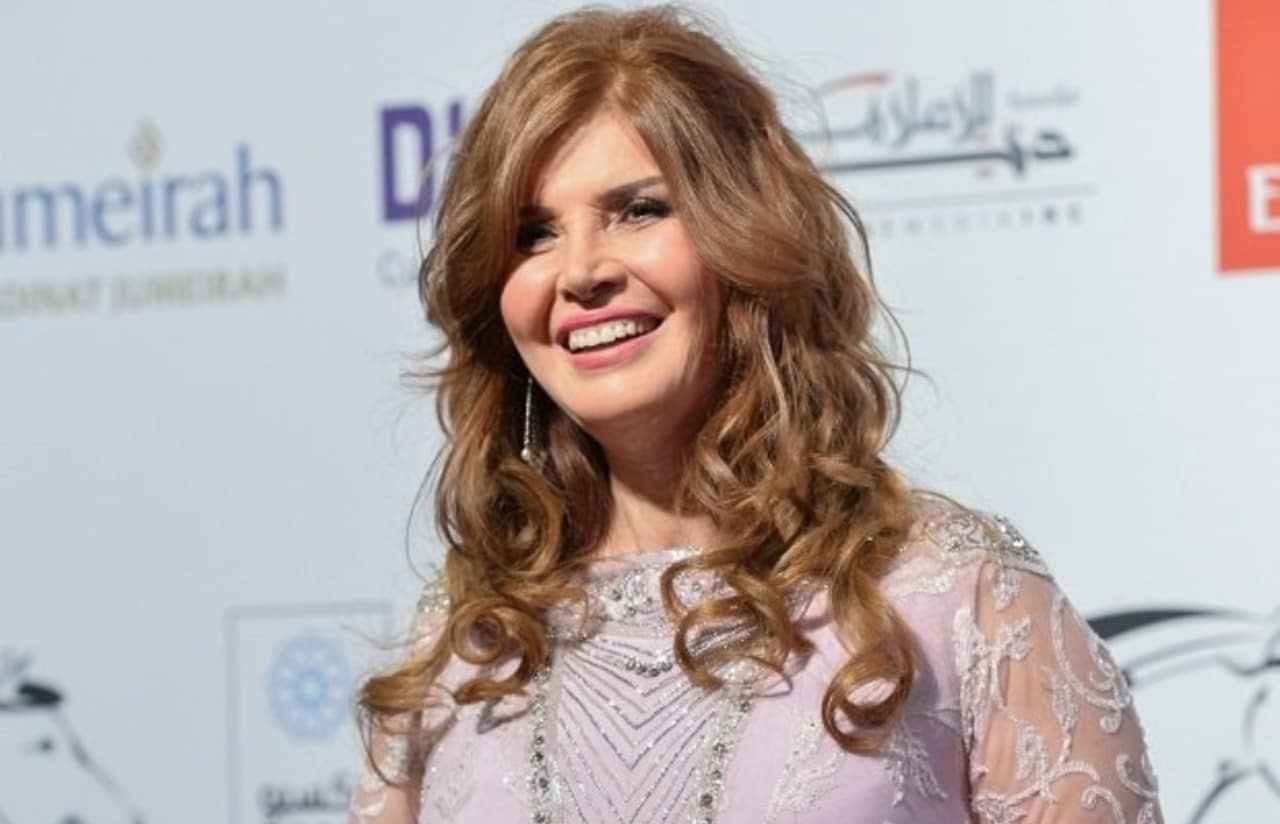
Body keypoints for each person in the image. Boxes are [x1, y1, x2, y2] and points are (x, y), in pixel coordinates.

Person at [349, 5, 1163, 823]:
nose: (582, 270)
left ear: (749, 235)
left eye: (638, 210)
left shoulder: (958, 598)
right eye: (533, 233)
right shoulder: (461, 646)